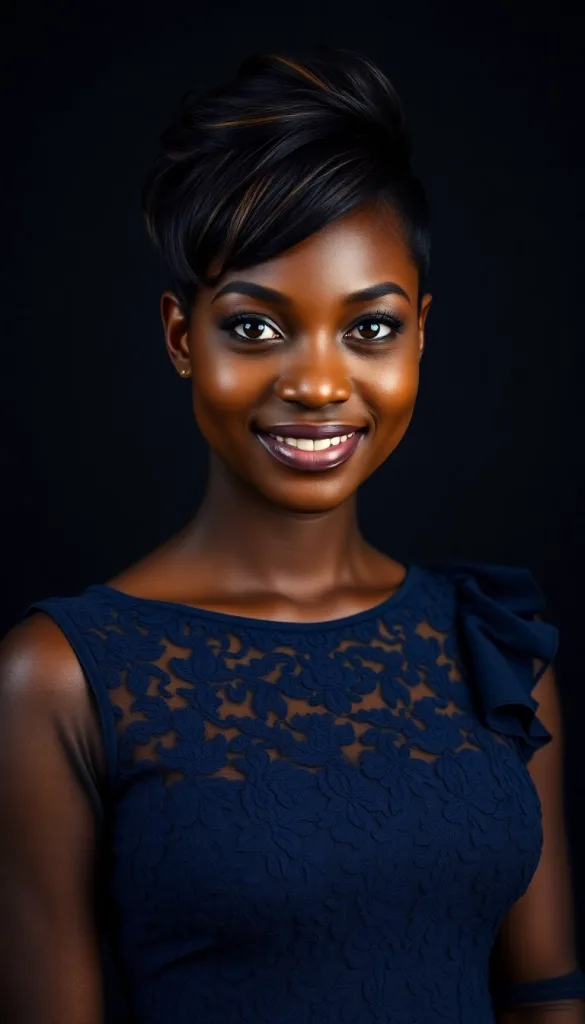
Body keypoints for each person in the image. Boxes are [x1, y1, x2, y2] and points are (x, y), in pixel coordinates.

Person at [0, 46, 583, 1024]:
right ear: (181, 336)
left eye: (370, 329)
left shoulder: (498, 647)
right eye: (256, 328)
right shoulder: (58, 679)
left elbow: (546, 993)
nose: (317, 384)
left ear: (421, 333)